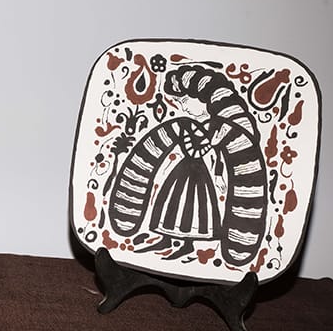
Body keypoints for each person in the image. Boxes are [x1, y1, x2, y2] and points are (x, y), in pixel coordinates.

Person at [109, 65, 267, 265]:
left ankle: (187, 244)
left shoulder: (216, 129)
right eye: (179, 102)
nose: (183, 107)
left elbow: (215, 157)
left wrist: (218, 176)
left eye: (184, 101)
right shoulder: (186, 125)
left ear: (204, 100)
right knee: (171, 205)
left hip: (199, 177)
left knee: (193, 211)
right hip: (181, 172)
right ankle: (165, 239)